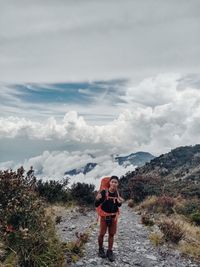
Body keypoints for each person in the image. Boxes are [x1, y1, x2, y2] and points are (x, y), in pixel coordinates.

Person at [94, 175, 124, 262]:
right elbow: (96, 204)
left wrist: (120, 203)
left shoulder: (118, 193)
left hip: (114, 217)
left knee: (111, 234)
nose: (114, 184)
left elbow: (118, 205)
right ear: (109, 183)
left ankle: (109, 251)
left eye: (116, 182)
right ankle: (100, 249)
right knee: (102, 234)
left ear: (118, 184)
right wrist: (97, 199)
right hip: (104, 216)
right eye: (112, 182)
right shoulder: (104, 192)